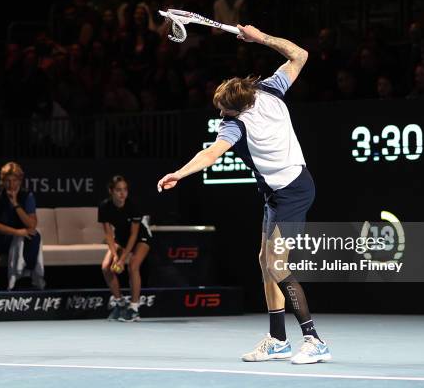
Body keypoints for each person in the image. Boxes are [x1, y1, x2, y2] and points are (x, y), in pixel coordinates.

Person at [157, 24, 331, 365]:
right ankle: (278, 339)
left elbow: (210, 155)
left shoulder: (236, 124)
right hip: (274, 193)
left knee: (278, 267)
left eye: (225, 110)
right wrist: (262, 38)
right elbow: (299, 55)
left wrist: (179, 173)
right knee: (265, 263)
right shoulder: (271, 88)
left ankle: (314, 339)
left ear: (239, 107)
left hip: (294, 190)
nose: (221, 114)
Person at [0, 162, 44, 291]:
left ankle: (26, 276)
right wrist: (16, 231)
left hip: (15, 241)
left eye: (14, 180)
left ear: (20, 180)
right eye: (7, 181)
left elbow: (31, 224)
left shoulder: (27, 196)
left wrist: (15, 204)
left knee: (34, 235)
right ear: (2, 181)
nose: (11, 185)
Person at [98, 175, 152, 322]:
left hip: (141, 236)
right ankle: (121, 304)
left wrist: (122, 259)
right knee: (105, 267)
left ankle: (134, 309)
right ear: (111, 191)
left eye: (125, 190)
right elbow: (109, 235)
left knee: (133, 265)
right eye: (118, 190)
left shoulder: (133, 205)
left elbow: (133, 235)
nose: (122, 193)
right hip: (121, 237)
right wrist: (115, 255)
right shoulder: (104, 206)